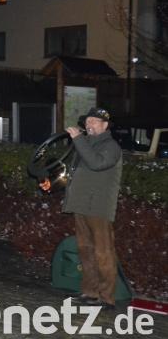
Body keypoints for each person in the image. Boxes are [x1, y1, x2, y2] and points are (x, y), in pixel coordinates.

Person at [61, 107, 122, 310]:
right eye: (88, 121)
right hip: (81, 205)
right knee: (85, 250)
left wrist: (78, 139)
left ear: (105, 125)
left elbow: (96, 163)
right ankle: (90, 292)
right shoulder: (86, 143)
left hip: (98, 207)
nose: (89, 124)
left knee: (103, 252)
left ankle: (107, 297)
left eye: (95, 121)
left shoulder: (111, 146)